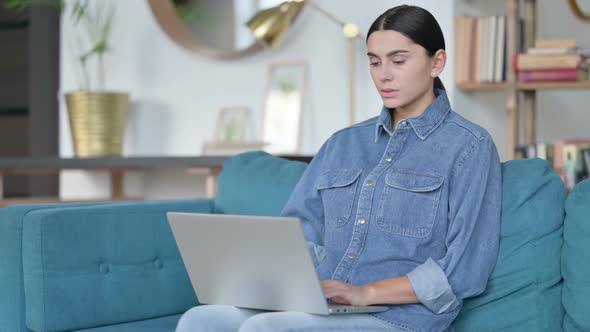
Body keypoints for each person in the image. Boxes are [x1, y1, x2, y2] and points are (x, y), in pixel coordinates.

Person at [176, 4, 502, 332]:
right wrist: (274, 284)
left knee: (265, 329)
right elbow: (301, 233)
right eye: (374, 62)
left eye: (398, 60)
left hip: (399, 318)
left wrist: (365, 293)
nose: (383, 74)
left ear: (437, 62)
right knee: (200, 319)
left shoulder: (470, 146)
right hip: (324, 306)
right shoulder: (342, 144)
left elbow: (464, 269)